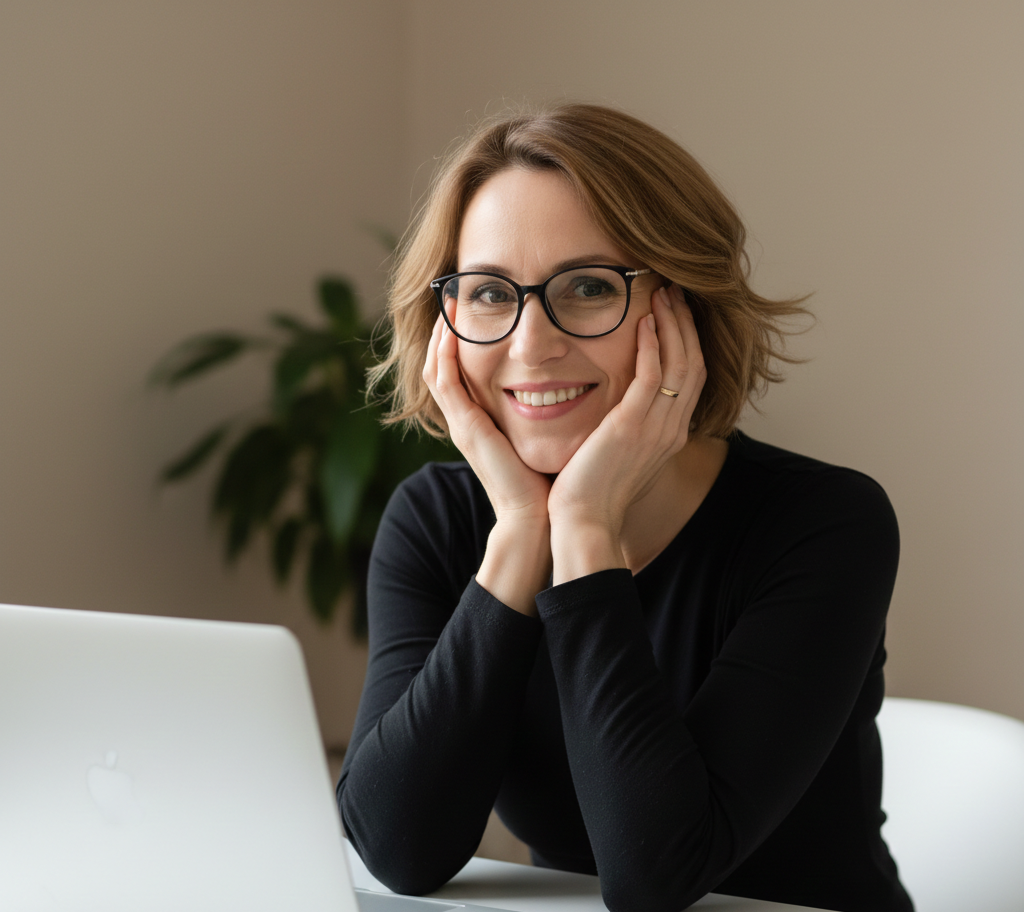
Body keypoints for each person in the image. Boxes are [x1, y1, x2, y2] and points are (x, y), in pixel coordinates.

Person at [337, 103, 913, 912]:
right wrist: (521, 537)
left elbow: (659, 877)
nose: (531, 345)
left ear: (684, 310)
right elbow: (397, 851)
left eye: (588, 287)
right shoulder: (435, 522)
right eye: (490, 294)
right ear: (445, 323)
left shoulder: (824, 524)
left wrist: (583, 529)